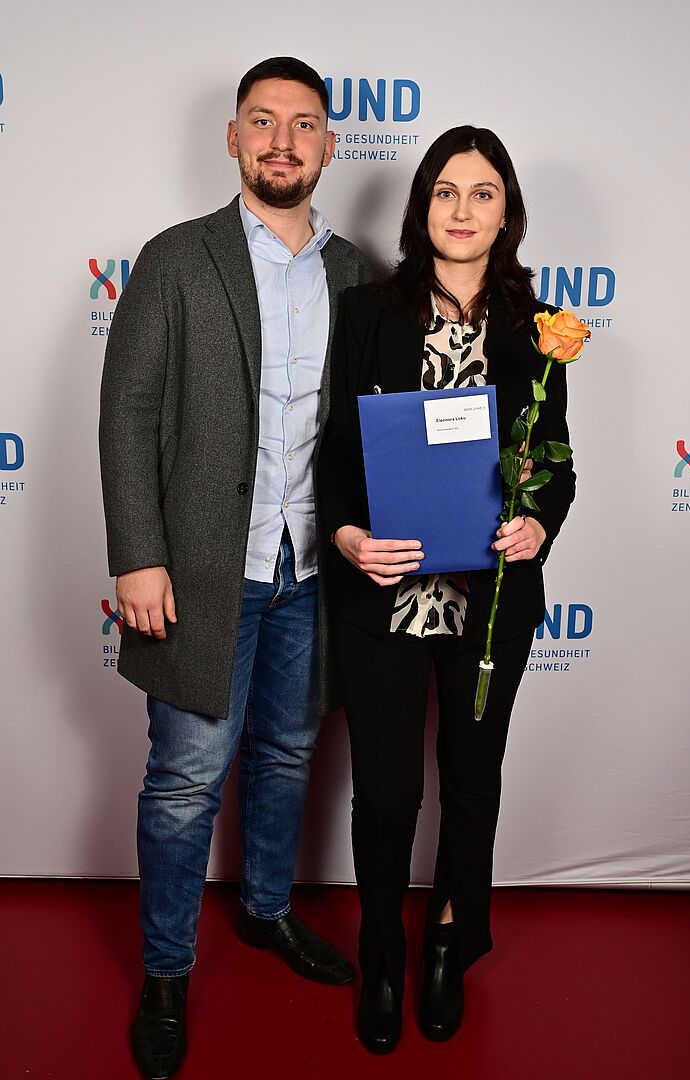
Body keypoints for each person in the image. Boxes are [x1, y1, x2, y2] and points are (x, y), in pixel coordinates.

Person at [99, 56, 374, 1080]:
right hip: (203, 571)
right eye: (262, 121)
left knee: (287, 757)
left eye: (302, 125)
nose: (281, 141)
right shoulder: (178, 258)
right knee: (184, 783)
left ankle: (263, 911)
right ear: (232, 138)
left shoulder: (356, 275)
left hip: (314, 569)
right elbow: (127, 413)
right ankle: (166, 974)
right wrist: (138, 555)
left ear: (328, 145)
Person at [318, 126, 576, 1053]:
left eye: (482, 193)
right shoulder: (364, 313)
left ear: (507, 214)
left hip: (490, 598)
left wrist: (536, 523)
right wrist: (345, 535)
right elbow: (333, 454)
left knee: (470, 781)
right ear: (421, 204)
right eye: (445, 191)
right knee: (386, 793)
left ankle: (447, 941)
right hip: (384, 593)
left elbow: (555, 463)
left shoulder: (537, 328)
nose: (461, 211)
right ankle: (382, 951)